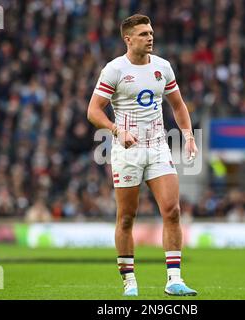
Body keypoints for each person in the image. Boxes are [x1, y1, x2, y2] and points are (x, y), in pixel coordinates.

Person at [87, 14, 198, 297]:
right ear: (128, 39)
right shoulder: (114, 70)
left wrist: (188, 136)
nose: (150, 37)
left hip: (159, 145)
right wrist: (115, 130)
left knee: (172, 211)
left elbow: (178, 104)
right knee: (126, 217)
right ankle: (130, 282)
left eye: (151, 32)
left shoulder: (163, 67)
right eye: (144, 34)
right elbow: (93, 111)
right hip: (127, 150)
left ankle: (174, 280)